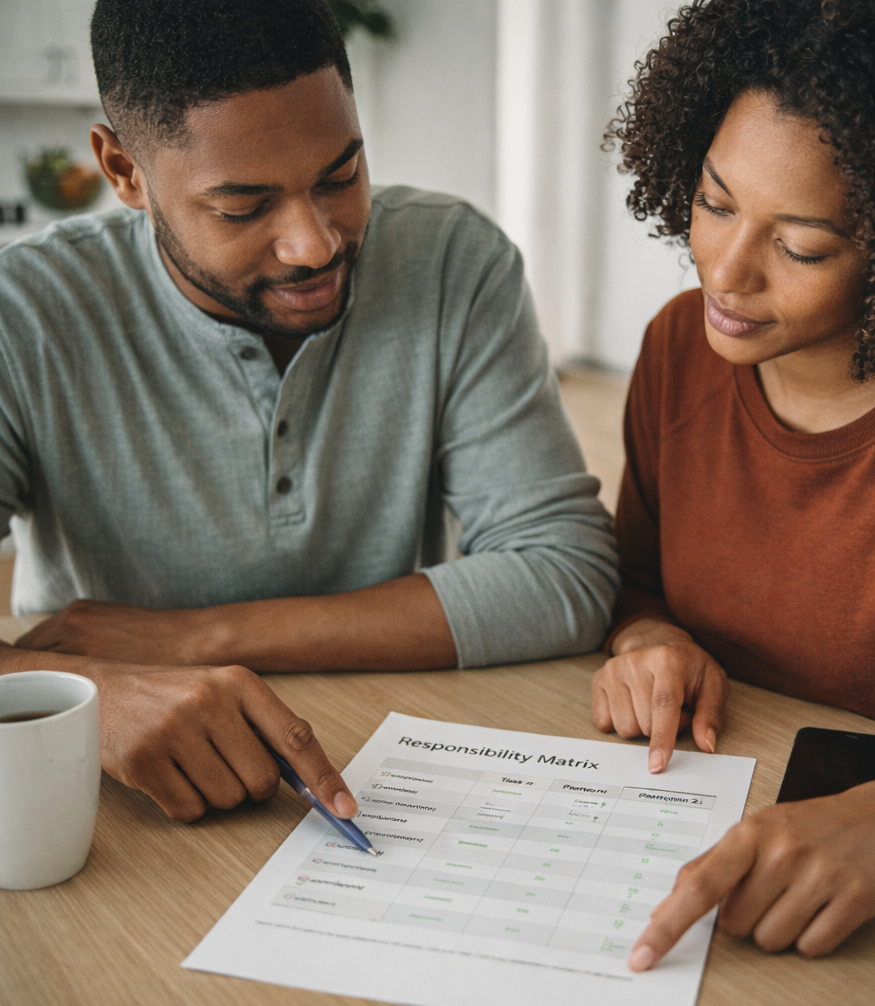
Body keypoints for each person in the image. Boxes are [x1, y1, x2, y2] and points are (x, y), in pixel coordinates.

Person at [0, 0, 616, 825]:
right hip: (108, 799)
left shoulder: (452, 262)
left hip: (397, 763)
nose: (315, 244)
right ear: (124, 171)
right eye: (243, 208)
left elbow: (563, 574)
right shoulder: (26, 313)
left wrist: (196, 638)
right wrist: (98, 690)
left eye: (341, 176)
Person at [588, 0, 875, 971]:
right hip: (697, 824)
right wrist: (649, 638)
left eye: (801, 247)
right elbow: (639, 582)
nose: (724, 271)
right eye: (713, 200)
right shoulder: (677, 349)